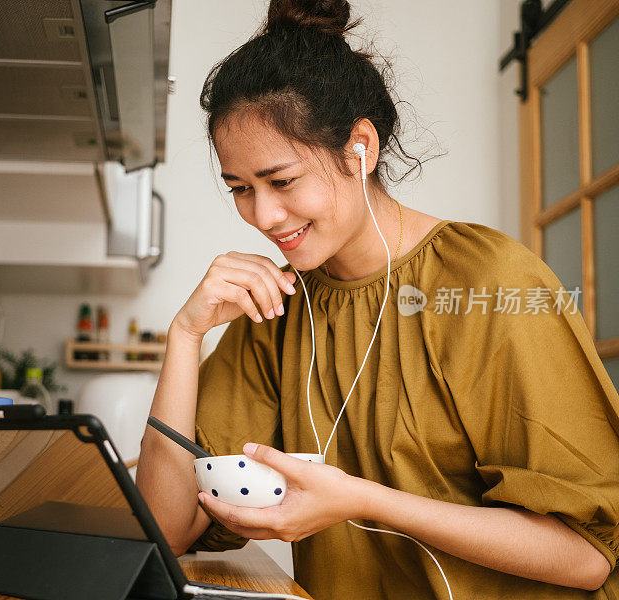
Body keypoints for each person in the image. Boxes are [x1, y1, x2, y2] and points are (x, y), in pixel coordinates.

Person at [135, 1, 619, 598]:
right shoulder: (279, 307)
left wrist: (362, 502)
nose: (263, 216)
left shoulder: (488, 282)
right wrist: (184, 335)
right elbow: (166, 527)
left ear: (360, 148)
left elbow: (587, 556)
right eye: (240, 189)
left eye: (282, 181)